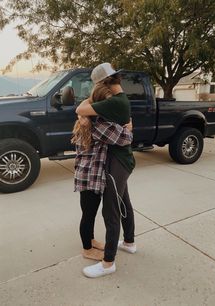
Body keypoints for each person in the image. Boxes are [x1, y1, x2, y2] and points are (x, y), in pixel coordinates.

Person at [76, 63, 136, 278]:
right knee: (124, 203)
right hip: (124, 161)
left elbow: (81, 108)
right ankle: (129, 242)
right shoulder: (120, 101)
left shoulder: (112, 104)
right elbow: (86, 108)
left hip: (116, 163)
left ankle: (108, 263)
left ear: (103, 83)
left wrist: (86, 117)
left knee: (110, 212)